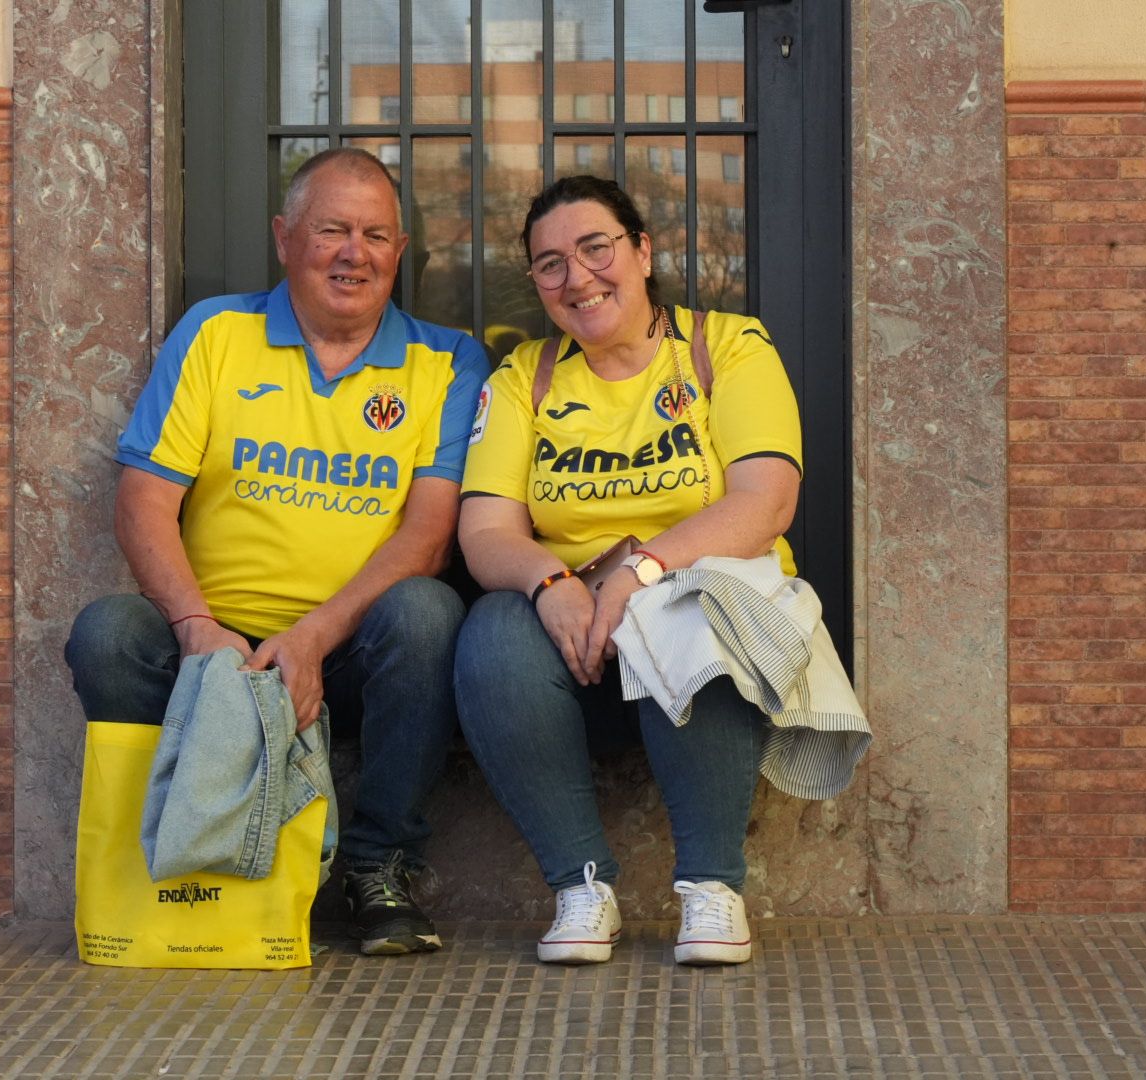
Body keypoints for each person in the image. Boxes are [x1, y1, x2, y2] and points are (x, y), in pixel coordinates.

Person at [66, 148, 487, 956]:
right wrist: (195, 627)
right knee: (108, 636)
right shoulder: (217, 332)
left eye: (374, 235)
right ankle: (157, 862)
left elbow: (429, 535)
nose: (352, 253)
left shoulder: (450, 360)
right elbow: (143, 498)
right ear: (284, 238)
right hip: (211, 644)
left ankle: (378, 867)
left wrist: (314, 639)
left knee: (429, 615)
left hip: (350, 650)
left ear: (400, 253)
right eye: (330, 229)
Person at [454, 175, 804, 966]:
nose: (576, 278)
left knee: (692, 607)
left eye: (595, 248)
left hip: (694, 618)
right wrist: (550, 584)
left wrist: (637, 572)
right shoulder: (524, 378)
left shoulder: (729, 346)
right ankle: (580, 887)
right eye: (549, 265)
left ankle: (713, 889)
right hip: (578, 649)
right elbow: (484, 529)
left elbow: (765, 501)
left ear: (642, 252)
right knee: (491, 633)